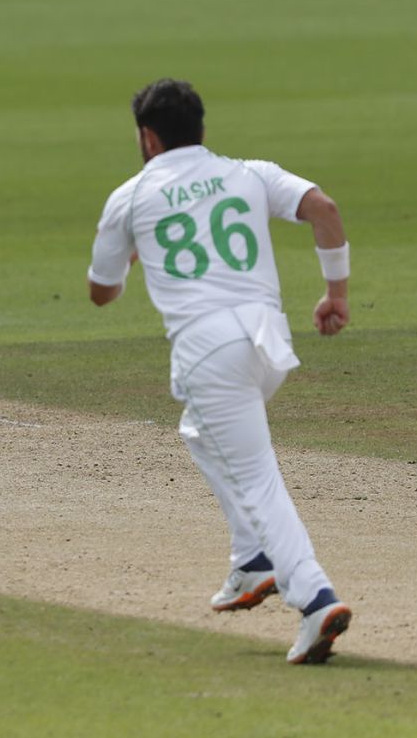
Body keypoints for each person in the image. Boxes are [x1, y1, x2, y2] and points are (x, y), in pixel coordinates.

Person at [87, 78, 352, 665]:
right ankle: (252, 560)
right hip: (267, 344)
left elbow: (101, 293)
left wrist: (133, 255)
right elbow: (325, 211)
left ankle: (314, 597)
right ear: (201, 131)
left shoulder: (129, 197)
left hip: (211, 354)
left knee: (258, 479)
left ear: (148, 138)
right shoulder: (250, 172)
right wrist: (336, 293)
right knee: (201, 433)